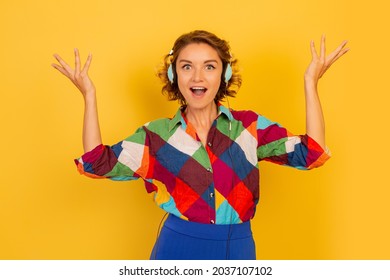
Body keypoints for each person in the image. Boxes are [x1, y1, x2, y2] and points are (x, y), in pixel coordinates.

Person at [52, 30, 349, 260]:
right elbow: (96, 163)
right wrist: (88, 95)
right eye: (186, 67)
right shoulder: (156, 137)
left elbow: (311, 153)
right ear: (174, 75)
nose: (197, 76)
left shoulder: (249, 127)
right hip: (176, 248)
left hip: (238, 250)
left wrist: (311, 82)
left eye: (209, 66)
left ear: (224, 74)